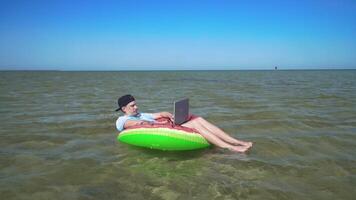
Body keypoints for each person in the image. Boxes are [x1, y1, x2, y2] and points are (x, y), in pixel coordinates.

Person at [115, 94, 253, 153]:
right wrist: (151, 122)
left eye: (136, 104)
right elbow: (132, 125)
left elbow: (161, 114)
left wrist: (170, 115)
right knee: (195, 124)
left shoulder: (141, 114)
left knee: (198, 119)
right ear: (124, 109)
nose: (136, 107)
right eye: (132, 106)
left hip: (167, 126)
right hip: (162, 130)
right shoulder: (122, 120)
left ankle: (237, 142)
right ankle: (229, 148)